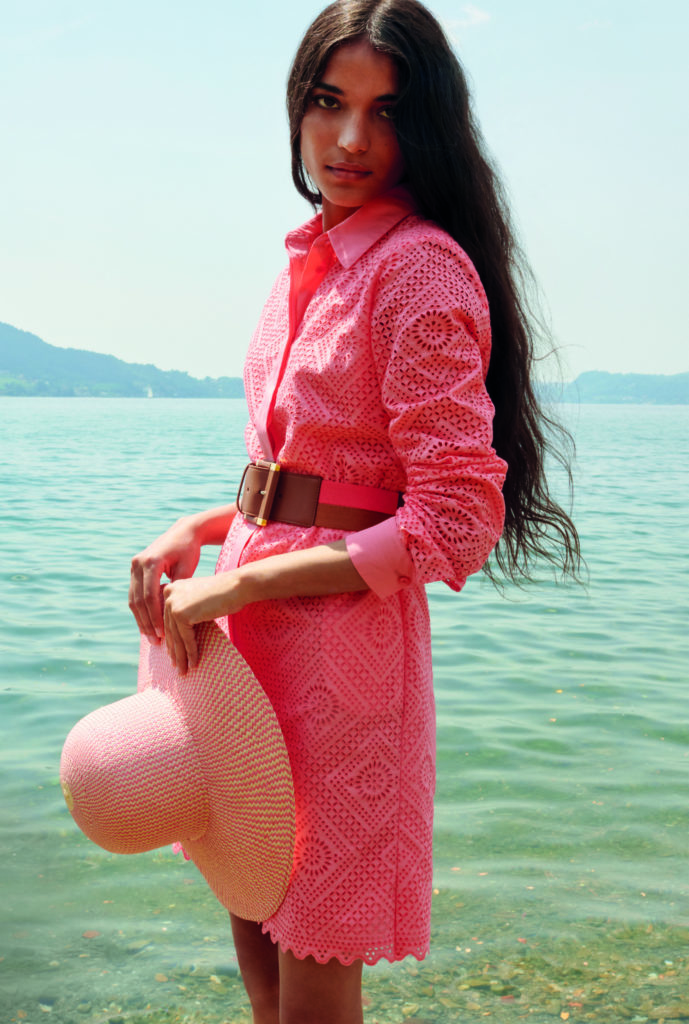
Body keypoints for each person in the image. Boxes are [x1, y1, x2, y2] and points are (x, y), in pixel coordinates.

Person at [128, 1, 581, 1021]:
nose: (348, 139)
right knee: (254, 930)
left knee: (313, 972)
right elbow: (318, 484)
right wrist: (197, 533)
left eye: (384, 112)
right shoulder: (311, 262)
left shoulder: (416, 269)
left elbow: (454, 519)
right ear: (296, 108)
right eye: (328, 103)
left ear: (426, 127)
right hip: (247, 645)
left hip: (341, 665)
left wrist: (237, 585)